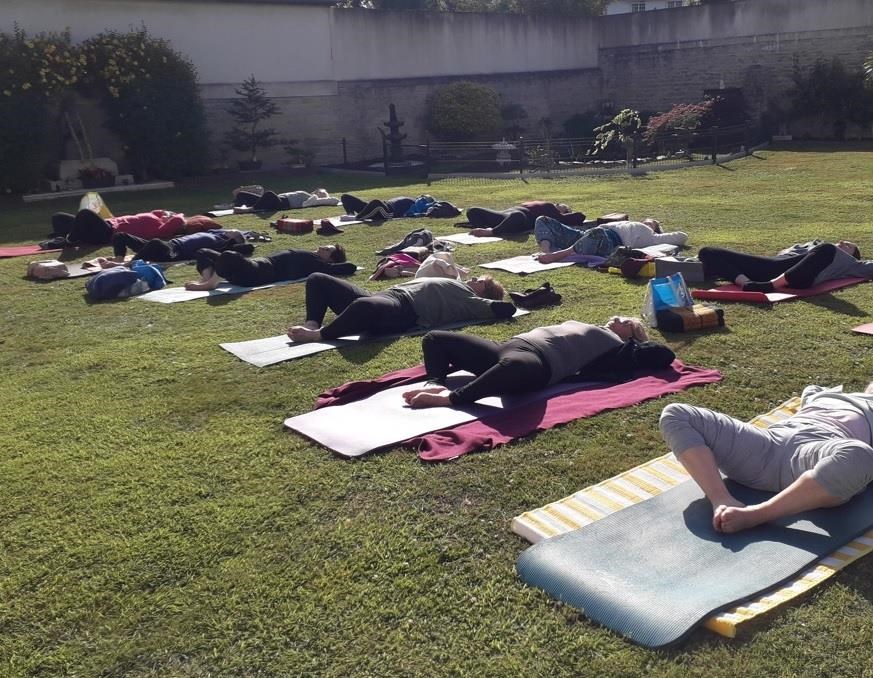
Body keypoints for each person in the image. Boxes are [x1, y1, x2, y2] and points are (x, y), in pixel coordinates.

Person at [660, 383, 873, 534]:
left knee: (859, 454)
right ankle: (720, 498)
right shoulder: (821, 393)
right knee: (676, 413)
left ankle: (757, 514)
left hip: (815, 455)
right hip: (767, 444)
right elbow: (811, 389)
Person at [402, 317, 675, 408]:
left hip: (537, 363)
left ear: (633, 336)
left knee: (513, 367)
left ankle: (451, 399)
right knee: (435, 338)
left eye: (626, 322)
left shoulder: (619, 350)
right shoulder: (591, 326)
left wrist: (639, 344)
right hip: (508, 347)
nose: (617, 319)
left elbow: (664, 355)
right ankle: (435, 383)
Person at [287, 275, 514, 343]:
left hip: (403, 310)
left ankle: (318, 335)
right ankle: (312, 323)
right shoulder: (461, 287)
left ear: (484, 292)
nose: (474, 277)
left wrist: (497, 301)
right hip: (385, 296)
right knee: (317, 279)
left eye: (481, 280)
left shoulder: (471, 300)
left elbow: (505, 310)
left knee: (364, 306)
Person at [697, 240, 873, 292]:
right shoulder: (813, 247)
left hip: (801, 277)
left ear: (852, 255)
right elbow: (783, 252)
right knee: (707, 251)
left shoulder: (849, 263)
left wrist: (827, 248)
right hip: (772, 266)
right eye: (841, 242)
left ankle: (769, 286)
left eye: (848, 246)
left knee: (827, 248)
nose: (842, 243)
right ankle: (746, 283)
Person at [185, 244, 355, 291]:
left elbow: (350, 266)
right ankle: (208, 279)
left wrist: (331, 265)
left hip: (259, 272)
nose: (323, 248)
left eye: (328, 250)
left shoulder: (318, 264)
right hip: (251, 267)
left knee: (229, 256)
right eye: (326, 246)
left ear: (330, 260)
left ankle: (210, 283)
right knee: (203, 251)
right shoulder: (313, 257)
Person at [533, 217, 689, 262]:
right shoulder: (627, 222)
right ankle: (547, 252)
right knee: (543, 220)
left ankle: (557, 256)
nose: (646, 222)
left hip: (607, 242)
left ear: (655, 228)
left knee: (598, 232)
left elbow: (682, 237)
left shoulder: (653, 237)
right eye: (645, 220)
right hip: (584, 236)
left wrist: (658, 230)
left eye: (651, 222)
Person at [49, 208, 203, 246]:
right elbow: (158, 212)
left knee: (85, 213)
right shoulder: (158, 218)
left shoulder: (162, 230)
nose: (171, 214)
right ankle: (70, 235)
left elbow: (177, 220)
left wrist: (180, 218)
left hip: (107, 233)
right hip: (106, 224)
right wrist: (166, 213)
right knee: (58, 217)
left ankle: (69, 240)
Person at [101, 229, 250, 265]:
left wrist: (239, 241)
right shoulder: (214, 233)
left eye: (232, 232)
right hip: (169, 244)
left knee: (155, 242)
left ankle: (128, 265)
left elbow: (245, 248)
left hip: (173, 252)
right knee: (120, 236)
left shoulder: (222, 244)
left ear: (232, 238)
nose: (228, 230)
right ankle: (119, 259)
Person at [465, 201, 586, 238]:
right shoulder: (544, 203)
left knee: (516, 216)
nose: (560, 206)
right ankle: (481, 227)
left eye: (564, 208)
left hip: (520, 219)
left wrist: (565, 214)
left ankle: (491, 232)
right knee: (472, 210)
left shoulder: (552, 211)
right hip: (504, 215)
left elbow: (581, 216)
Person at [233, 187, 340, 213]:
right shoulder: (307, 194)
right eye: (318, 191)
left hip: (282, 204)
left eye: (322, 193)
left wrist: (324, 197)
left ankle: (248, 209)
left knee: (269, 193)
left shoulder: (313, 200)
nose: (318, 193)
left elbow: (335, 200)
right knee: (242, 194)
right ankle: (238, 206)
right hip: (276, 199)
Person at [340, 194, 415, 220]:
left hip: (387, 212)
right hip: (377, 206)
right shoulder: (412, 199)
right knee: (345, 197)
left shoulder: (415, 203)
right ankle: (351, 215)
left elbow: (420, 212)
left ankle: (356, 217)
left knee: (376, 202)